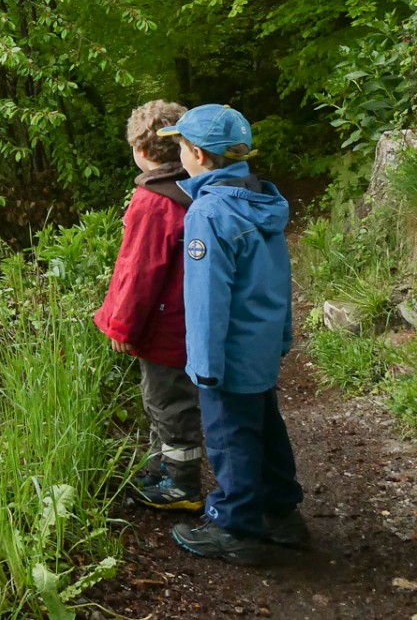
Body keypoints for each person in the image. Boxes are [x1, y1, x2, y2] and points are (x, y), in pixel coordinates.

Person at [156, 104, 308, 564]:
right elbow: (279, 277)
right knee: (265, 427)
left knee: (229, 436)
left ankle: (237, 527)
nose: (180, 154)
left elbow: (207, 298)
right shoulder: (262, 199)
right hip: (261, 344)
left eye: (181, 146)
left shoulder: (209, 212)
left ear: (198, 154)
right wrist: (283, 334)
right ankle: (282, 514)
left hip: (228, 352)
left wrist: (202, 364)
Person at [95, 101, 204, 511]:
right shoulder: (192, 188)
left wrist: (120, 327)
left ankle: (182, 486)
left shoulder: (152, 201)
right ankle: (161, 469)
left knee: (168, 403)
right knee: (164, 398)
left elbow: (137, 271)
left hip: (164, 329)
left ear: (140, 150)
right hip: (188, 320)